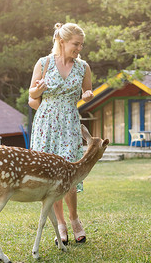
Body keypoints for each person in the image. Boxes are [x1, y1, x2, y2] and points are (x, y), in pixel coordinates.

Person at [28, 22, 94, 245]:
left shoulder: (83, 66)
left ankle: (75, 219)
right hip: (45, 124)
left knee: (68, 173)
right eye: (76, 44)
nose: (79, 48)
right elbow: (32, 99)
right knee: (51, 175)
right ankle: (61, 225)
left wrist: (88, 95)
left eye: (81, 45)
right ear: (62, 42)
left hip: (69, 123)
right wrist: (37, 91)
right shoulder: (44, 63)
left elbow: (87, 91)